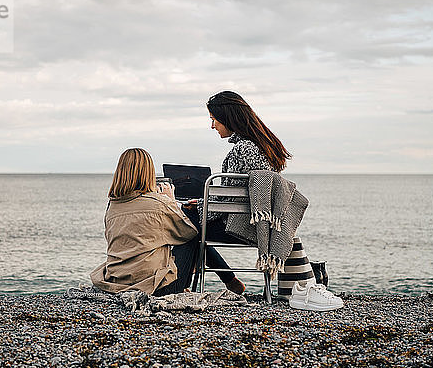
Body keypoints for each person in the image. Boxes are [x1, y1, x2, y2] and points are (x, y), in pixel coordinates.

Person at [186, 90, 343, 310]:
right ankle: (229, 281)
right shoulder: (263, 146)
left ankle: (179, 284)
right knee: (188, 221)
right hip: (258, 225)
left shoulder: (243, 150)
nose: (212, 126)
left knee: (180, 222)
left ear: (228, 118)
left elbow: (220, 209)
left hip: (238, 227)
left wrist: (198, 204)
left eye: (214, 120)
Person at [90, 148, 200, 296]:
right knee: (193, 237)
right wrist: (170, 201)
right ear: (148, 173)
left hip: (116, 282)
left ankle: (229, 279)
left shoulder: (112, 206)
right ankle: (224, 279)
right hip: (156, 288)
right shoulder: (159, 203)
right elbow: (188, 233)